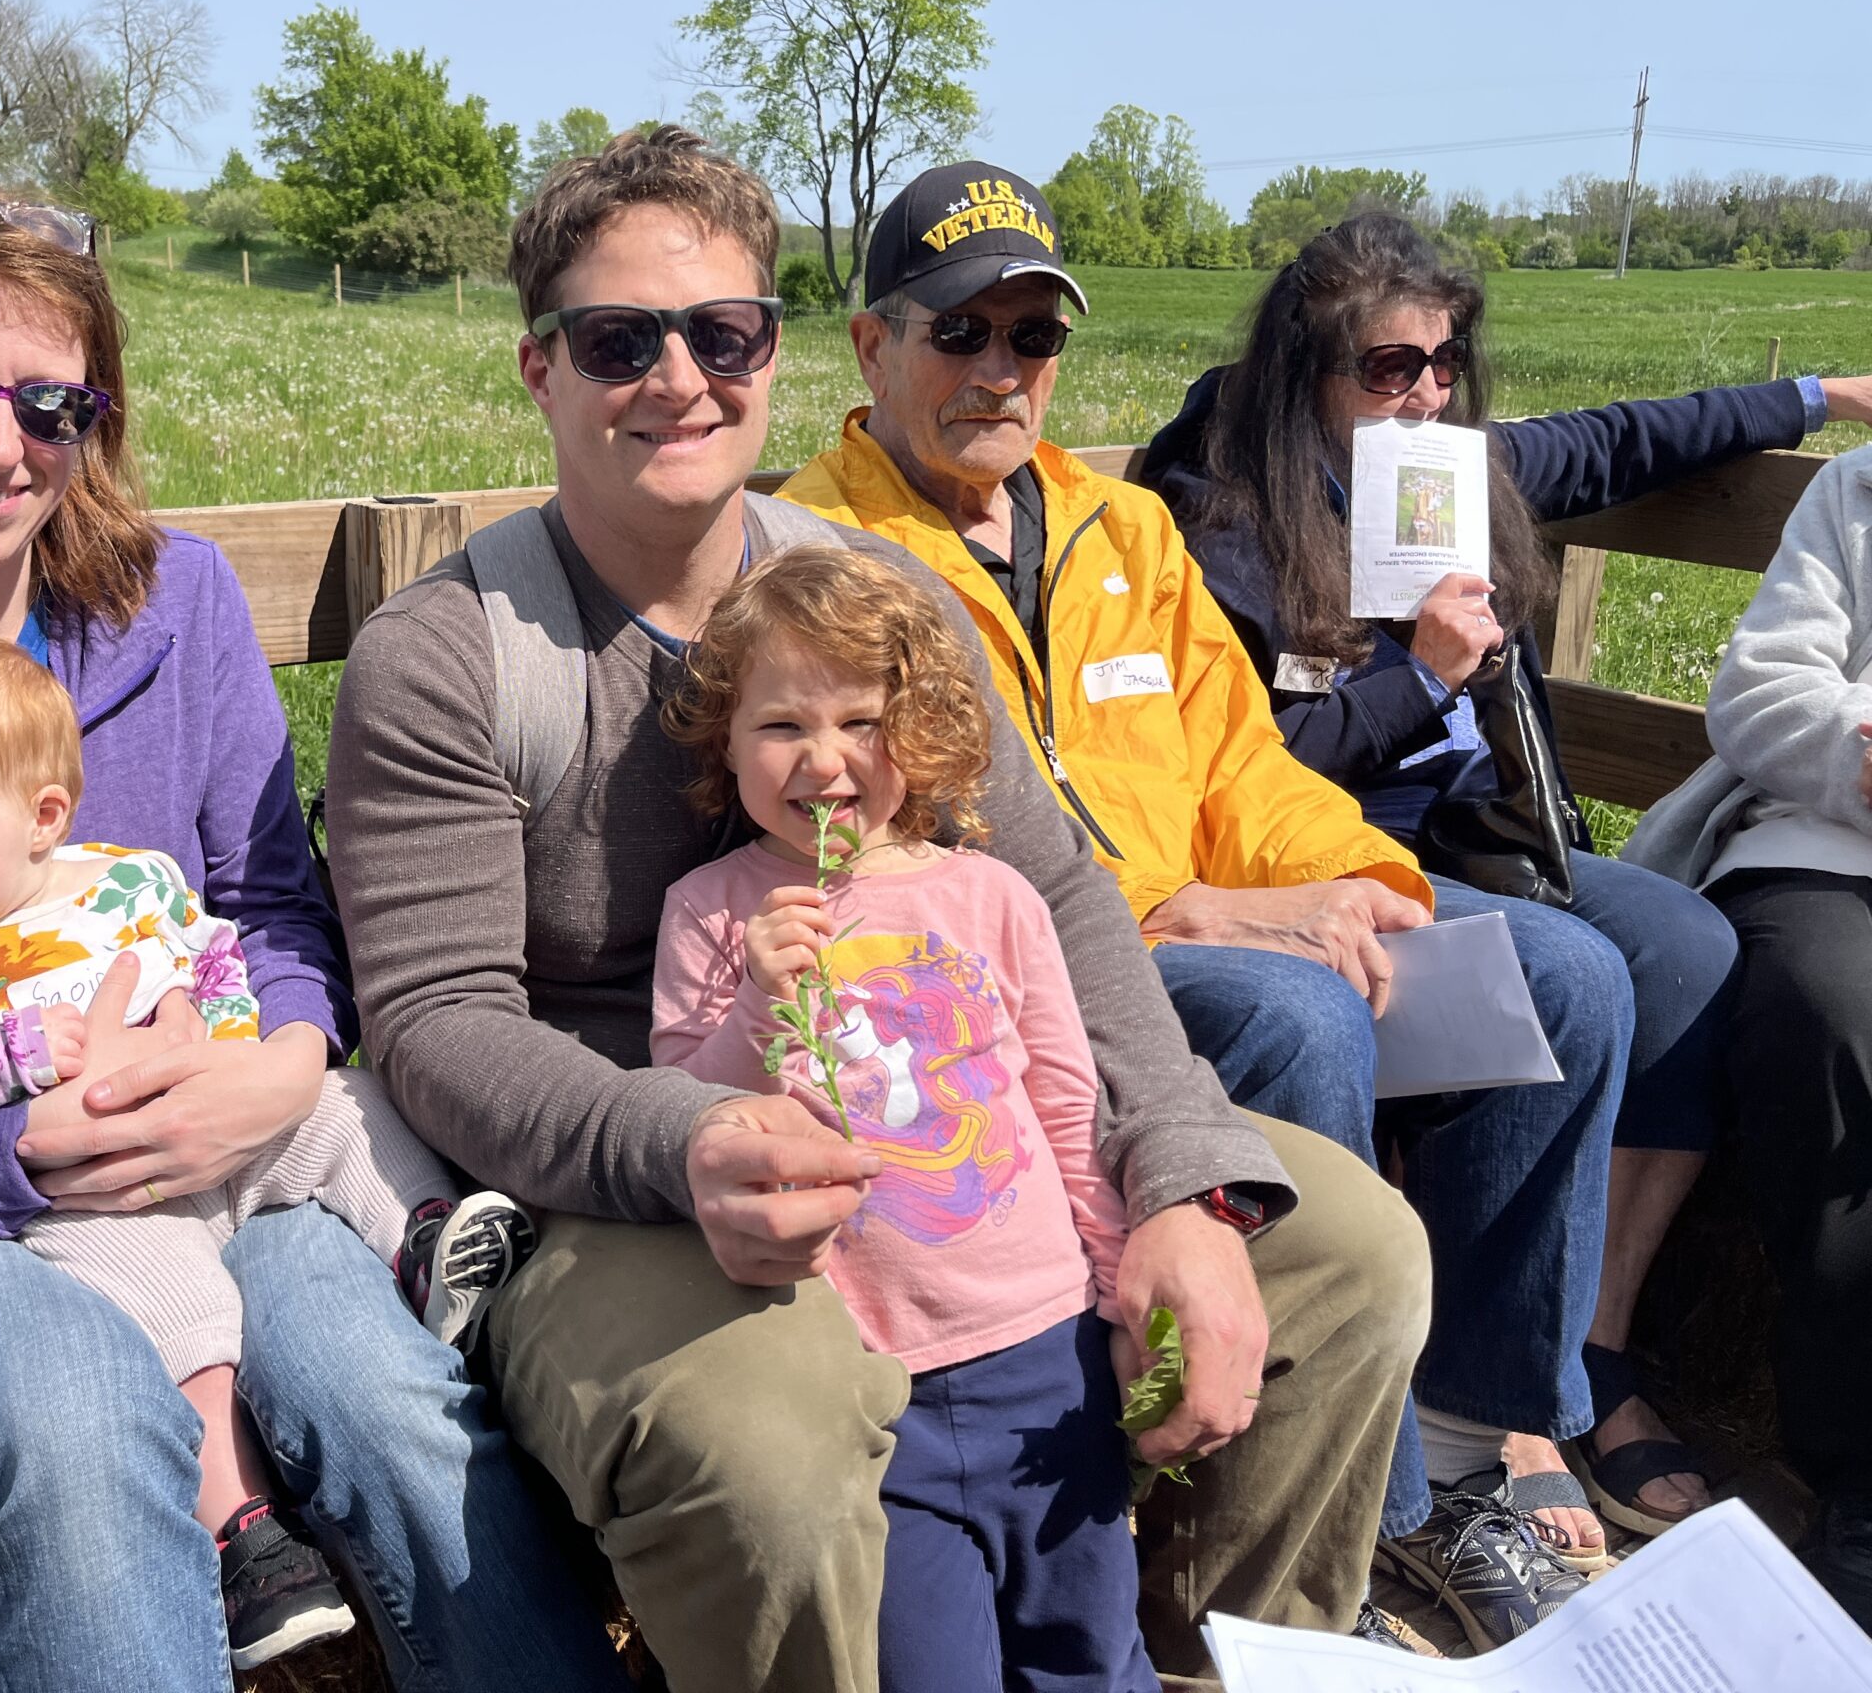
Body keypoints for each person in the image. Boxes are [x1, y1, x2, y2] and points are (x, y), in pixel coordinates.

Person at [326, 125, 1430, 1693]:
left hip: (947, 1110)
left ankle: (1185, 1656)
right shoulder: (450, 656)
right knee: (767, 1451)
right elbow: (438, 1026)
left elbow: (1053, 898)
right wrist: (679, 1140)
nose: (679, 378)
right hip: (623, 1171)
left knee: (1355, 1259)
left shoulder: (875, 606)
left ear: (774, 352)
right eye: (618, 339)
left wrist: (1179, 1170)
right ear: (540, 368)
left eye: (724, 333)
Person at [0, 191, 630, 1693]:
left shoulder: (181, 613)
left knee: (384, 1398)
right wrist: (26, 1149)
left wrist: (282, 1070)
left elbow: (280, 911)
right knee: (79, 1418)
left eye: (50, 404)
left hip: (225, 1149)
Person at [780, 163, 1622, 1649]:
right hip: (1039, 983)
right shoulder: (824, 558)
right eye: (958, 333)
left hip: (1206, 916)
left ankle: (1467, 1446)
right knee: (1299, 1012)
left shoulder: (1122, 534)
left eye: (1031, 339)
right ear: (871, 347)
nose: (1000, 370)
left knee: (1571, 979)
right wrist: (1193, 917)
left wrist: (1367, 884)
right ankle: (1354, 1526)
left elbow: (1239, 760)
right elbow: (923, 861)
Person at [1140, 209, 1872, 1546]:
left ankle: (1588, 1348)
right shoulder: (1219, 516)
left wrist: (1812, 393)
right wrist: (1419, 676)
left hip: (1491, 840)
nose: (1422, 389)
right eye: (1387, 365)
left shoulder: (1444, 470)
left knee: (1691, 952)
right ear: (1303, 364)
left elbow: (1619, 442)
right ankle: (1483, 1411)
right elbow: (1241, 759)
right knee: (1572, 983)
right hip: (1328, 852)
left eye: (1443, 362)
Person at [0, 634, 538, 1669]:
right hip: (94, 1193)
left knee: (348, 1109)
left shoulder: (124, 883)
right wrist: (2, 1064)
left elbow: (216, 949)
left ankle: (422, 1239)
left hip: (215, 1122)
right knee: (167, 1302)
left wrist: (226, 1046)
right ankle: (243, 1532)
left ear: (44, 820)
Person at [650, 543, 1156, 1693]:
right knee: (931, 1668)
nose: (823, 761)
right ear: (723, 742)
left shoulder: (991, 895)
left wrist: (1116, 1284)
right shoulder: (713, 916)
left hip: (1046, 1353)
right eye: (780, 727)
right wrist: (757, 1006)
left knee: (1087, 1648)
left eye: (861, 722)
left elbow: (1066, 1100)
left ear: (917, 732)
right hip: (872, 1384)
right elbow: (691, 1110)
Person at [1620, 438, 1872, 1624]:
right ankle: (1861, 1478)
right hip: (1833, 839)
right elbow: (1761, 697)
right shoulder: (1857, 493)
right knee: (1829, 1025)